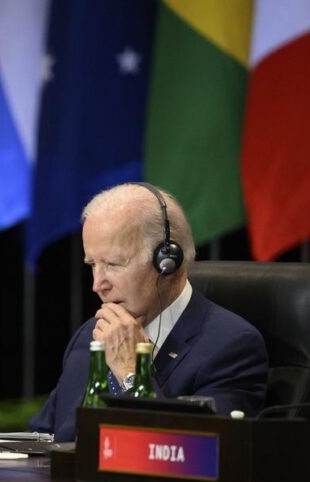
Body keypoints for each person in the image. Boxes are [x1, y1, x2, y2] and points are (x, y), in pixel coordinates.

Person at [29, 183, 269, 442]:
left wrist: (132, 374)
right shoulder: (89, 335)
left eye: (113, 264)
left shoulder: (231, 347)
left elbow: (202, 455)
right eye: (92, 265)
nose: (97, 285)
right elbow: (41, 440)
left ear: (167, 261)